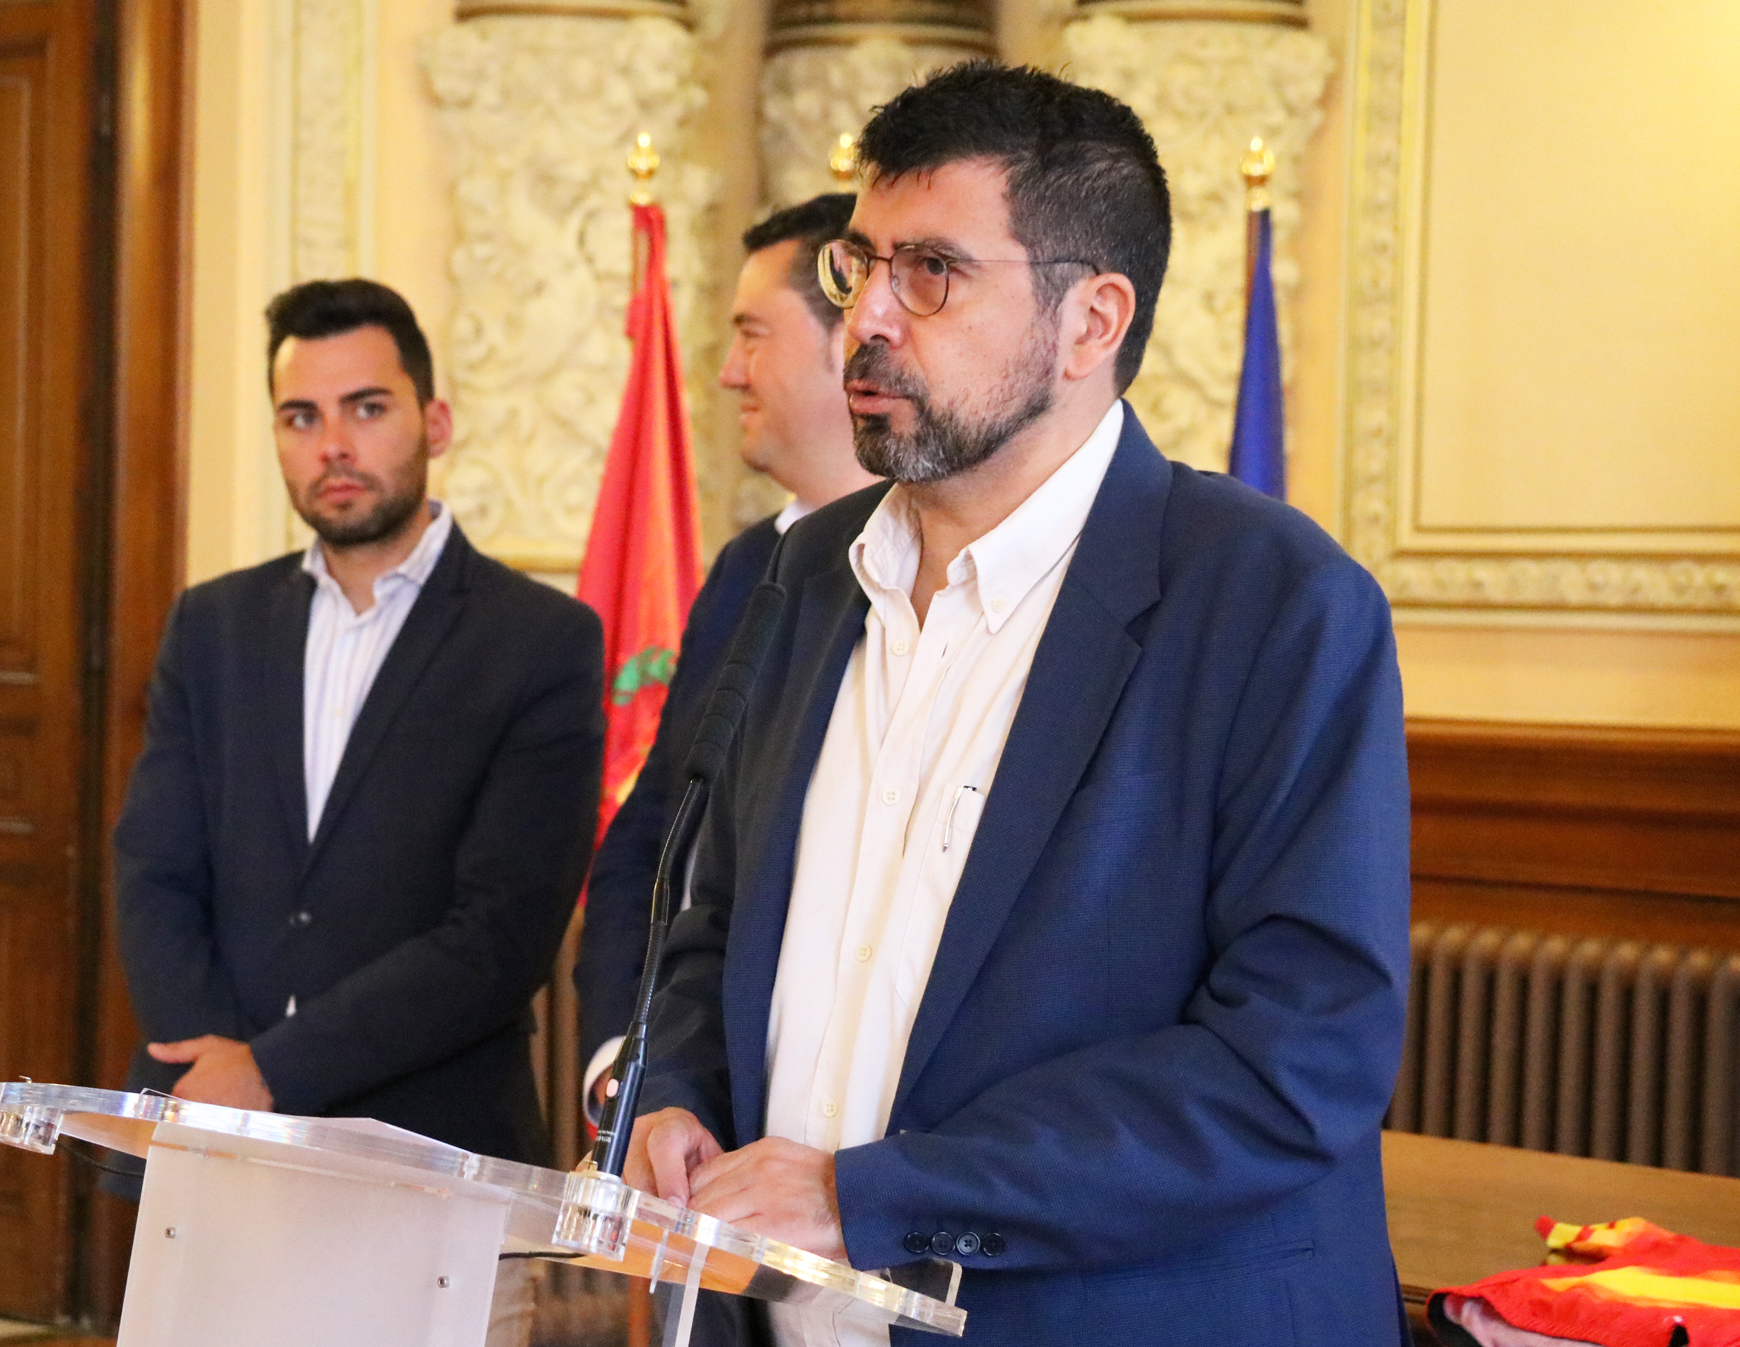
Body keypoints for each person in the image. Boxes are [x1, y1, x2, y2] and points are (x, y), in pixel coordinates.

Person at [624, 63, 1413, 1347]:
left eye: (931, 273)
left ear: (1090, 321)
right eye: (857, 267)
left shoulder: (1273, 602)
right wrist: (670, 1093)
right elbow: (710, 923)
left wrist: (874, 1199)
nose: (865, 319)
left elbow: (1291, 1066)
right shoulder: (805, 575)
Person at [112, 279, 604, 1347]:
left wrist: (272, 1071)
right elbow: (154, 869)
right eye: (301, 417)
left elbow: (500, 936)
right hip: (218, 1161)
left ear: (435, 421)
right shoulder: (213, 625)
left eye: (366, 408)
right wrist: (215, 1075)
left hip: (433, 1173)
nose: (332, 443)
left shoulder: (541, 642)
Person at [575, 192, 878, 1103]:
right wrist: (618, 1064)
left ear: (848, 340)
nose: (727, 372)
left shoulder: (944, 572)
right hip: (677, 1107)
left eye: (752, 334)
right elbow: (655, 832)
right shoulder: (749, 568)